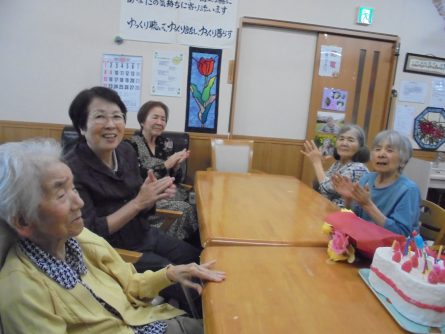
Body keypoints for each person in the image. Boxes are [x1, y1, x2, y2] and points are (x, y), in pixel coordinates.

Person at [0, 138, 225, 334]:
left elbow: (130, 284)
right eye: (61, 195)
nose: (79, 203)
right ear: (22, 221)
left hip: (150, 321)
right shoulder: (22, 293)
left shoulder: (80, 238)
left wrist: (171, 274)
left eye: (73, 189)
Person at [64, 87, 201, 313]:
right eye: (100, 116)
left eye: (117, 116)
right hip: (115, 254)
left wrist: (151, 197)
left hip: (144, 233)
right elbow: (88, 233)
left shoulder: (125, 152)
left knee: (195, 258)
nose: (111, 124)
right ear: (81, 126)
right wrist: (138, 202)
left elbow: (141, 204)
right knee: (188, 281)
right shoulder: (72, 168)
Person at [129, 101, 198, 242]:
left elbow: (177, 179)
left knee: (198, 204)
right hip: (149, 201)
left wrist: (176, 167)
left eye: (163, 119)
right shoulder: (131, 145)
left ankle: (190, 246)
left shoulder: (166, 144)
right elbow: (138, 179)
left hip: (172, 193)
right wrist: (166, 164)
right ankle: (174, 244)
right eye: (155, 117)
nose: (160, 122)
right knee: (186, 209)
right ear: (142, 121)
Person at [333, 130, 421, 237]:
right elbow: (356, 219)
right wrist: (348, 200)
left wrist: (368, 205)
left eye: (389, 150)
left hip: (391, 250)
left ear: (403, 161)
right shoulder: (367, 179)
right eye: (377, 149)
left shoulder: (408, 190)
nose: (381, 154)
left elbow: (400, 234)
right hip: (365, 240)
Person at [302, 124, 370, 208]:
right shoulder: (338, 163)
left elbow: (325, 189)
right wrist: (320, 164)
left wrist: (317, 163)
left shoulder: (359, 168)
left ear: (360, 147)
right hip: (328, 210)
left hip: (345, 216)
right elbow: (318, 186)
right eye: (341, 139)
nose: (344, 143)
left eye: (350, 140)